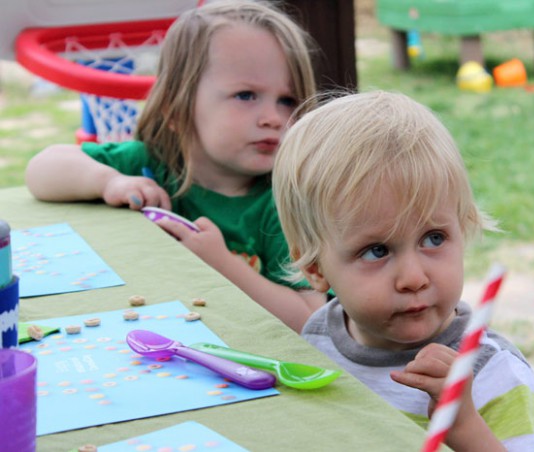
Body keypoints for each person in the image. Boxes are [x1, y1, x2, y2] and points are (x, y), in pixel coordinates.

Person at [25, 0, 326, 332]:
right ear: (175, 107)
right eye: (246, 95)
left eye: (288, 100)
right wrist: (109, 182)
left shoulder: (285, 201)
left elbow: (311, 321)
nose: (274, 118)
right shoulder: (146, 165)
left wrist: (223, 265)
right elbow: (41, 169)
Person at [272, 91, 534, 451]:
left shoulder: (490, 371)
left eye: (433, 239)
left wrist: (463, 425)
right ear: (315, 268)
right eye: (377, 250)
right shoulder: (319, 339)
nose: (414, 278)